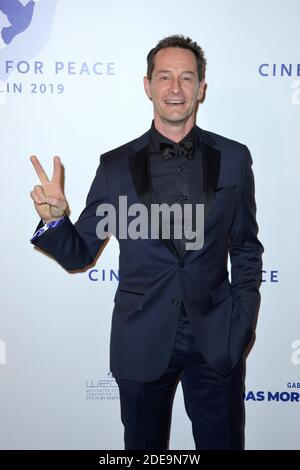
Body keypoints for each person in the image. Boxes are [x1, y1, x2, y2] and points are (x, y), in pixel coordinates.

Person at [30, 35, 263, 450]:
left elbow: (246, 247)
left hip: (216, 339)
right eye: (165, 77)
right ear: (147, 85)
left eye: (187, 78)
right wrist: (55, 221)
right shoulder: (116, 166)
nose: (176, 89)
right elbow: (80, 252)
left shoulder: (234, 157)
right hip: (141, 339)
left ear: (201, 89)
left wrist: (241, 322)